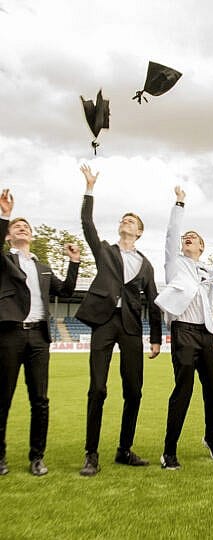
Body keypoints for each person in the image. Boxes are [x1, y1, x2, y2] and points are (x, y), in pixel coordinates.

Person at [76, 165, 161, 477]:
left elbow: (154, 302)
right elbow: (87, 223)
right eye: (124, 220)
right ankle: (91, 454)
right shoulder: (105, 251)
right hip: (103, 322)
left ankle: (124, 450)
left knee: (134, 391)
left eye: (133, 221)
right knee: (97, 388)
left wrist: (155, 337)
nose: (127, 222)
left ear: (139, 232)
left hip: (130, 328)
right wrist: (89, 189)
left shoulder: (146, 265)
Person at [0, 188, 80, 476]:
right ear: (8, 236)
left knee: (40, 400)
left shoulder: (43, 269)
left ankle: (37, 457)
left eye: (26, 227)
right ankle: (0, 457)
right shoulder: (5, 262)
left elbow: (68, 291)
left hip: (38, 338)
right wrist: (4, 215)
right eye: (16, 227)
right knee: (3, 398)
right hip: (8, 335)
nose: (22, 228)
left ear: (31, 237)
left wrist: (74, 262)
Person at [154, 186, 213, 470]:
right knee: (183, 389)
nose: (187, 239)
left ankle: (211, 437)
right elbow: (171, 235)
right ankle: (169, 451)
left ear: (202, 247)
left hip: (205, 334)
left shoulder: (209, 271)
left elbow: (207, 297)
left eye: (193, 238)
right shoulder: (174, 263)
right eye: (186, 238)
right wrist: (179, 204)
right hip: (183, 332)